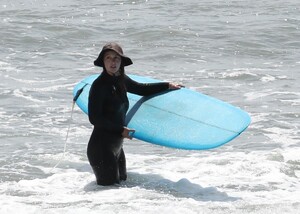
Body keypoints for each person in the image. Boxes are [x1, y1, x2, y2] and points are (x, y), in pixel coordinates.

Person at [88, 42, 182, 186]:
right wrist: (121, 130)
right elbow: (94, 118)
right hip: (101, 148)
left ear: (121, 62)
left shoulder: (121, 80)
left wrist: (167, 85)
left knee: (123, 185)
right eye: (108, 58)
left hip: (116, 146)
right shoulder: (99, 86)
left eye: (116, 58)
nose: (113, 62)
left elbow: (141, 89)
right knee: (108, 194)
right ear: (103, 61)